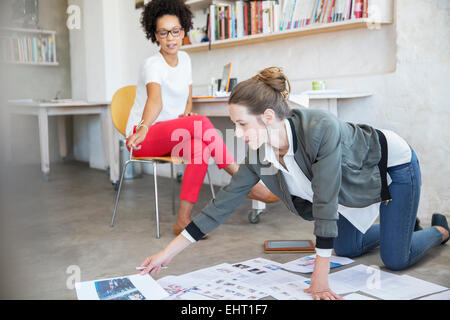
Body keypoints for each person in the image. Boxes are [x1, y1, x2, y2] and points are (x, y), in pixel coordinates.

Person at [137, 66, 449, 300]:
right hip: (353, 187)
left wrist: (320, 277)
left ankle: (439, 230)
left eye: (242, 124)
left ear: (268, 116)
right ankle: (404, 226)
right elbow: (222, 205)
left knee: (396, 259)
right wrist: (167, 254)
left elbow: (326, 201)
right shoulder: (260, 153)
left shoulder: (320, 129)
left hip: (391, 168)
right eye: (235, 125)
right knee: (345, 248)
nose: (239, 133)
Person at [125, 0, 278, 236]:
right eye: (163, 33)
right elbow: (155, 100)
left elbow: (188, 95)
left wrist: (186, 113)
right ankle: (245, 181)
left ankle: (183, 221)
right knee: (202, 123)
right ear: (155, 35)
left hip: (171, 135)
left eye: (175, 31)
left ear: (183, 31)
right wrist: (143, 127)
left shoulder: (185, 60)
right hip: (143, 136)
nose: (170, 38)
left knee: (200, 149)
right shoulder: (152, 64)